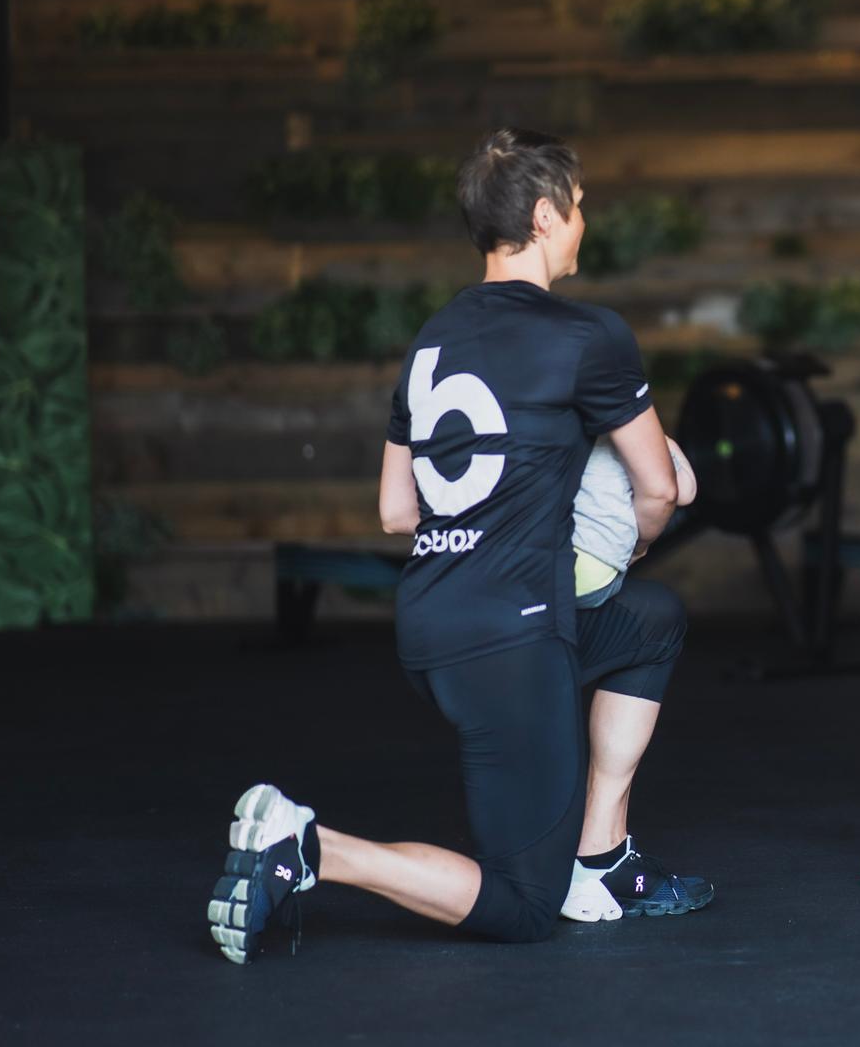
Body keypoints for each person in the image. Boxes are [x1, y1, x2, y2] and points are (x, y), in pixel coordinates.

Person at [207, 128, 713, 963]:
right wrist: (629, 546)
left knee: (651, 621)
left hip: (433, 623)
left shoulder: (432, 340)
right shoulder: (589, 337)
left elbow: (395, 511)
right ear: (547, 217)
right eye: (580, 208)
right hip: (512, 640)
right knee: (521, 905)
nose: (584, 223)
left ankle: (600, 857)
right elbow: (659, 488)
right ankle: (308, 847)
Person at [573, 435, 697, 610]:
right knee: (664, 607)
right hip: (590, 580)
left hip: (539, 565)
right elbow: (684, 493)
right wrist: (666, 441)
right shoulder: (637, 434)